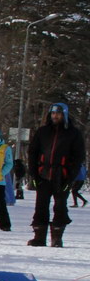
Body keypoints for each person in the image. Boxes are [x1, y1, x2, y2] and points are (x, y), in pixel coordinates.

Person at [26, 102, 85, 247]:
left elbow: (78, 157)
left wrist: (70, 177)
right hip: (43, 174)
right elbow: (33, 152)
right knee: (41, 205)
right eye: (53, 113)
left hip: (62, 176)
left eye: (58, 113)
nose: (55, 116)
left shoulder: (73, 133)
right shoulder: (43, 132)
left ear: (64, 115)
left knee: (60, 206)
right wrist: (33, 174)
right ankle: (39, 237)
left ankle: (57, 237)